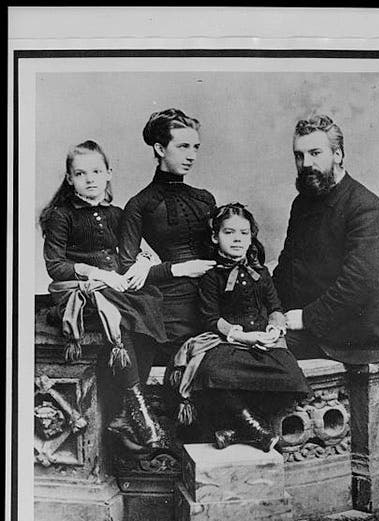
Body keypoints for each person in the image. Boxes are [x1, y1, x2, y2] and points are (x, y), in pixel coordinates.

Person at [40, 140, 169, 451]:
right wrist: (95, 273)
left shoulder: (117, 213)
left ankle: (127, 413)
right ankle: (137, 409)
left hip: (114, 285)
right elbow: (55, 266)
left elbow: (130, 253)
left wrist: (141, 262)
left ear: (109, 174)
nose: (90, 179)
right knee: (119, 315)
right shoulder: (61, 215)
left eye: (97, 171)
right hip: (80, 292)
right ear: (70, 179)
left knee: (150, 303)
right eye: (81, 173)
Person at [172, 203, 311, 452]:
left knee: (293, 378)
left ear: (251, 237)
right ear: (215, 237)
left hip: (263, 342)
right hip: (228, 342)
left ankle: (236, 432)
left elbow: (275, 307)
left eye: (244, 233)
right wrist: (241, 336)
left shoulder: (261, 272)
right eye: (229, 232)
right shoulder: (211, 275)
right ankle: (255, 429)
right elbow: (210, 318)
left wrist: (274, 330)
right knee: (212, 373)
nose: (237, 239)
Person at [272, 114, 379, 364]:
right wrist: (270, 309)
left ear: (338, 154)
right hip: (309, 325)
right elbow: (287, 269)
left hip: (356, 335)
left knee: (258, 357)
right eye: (299, 155)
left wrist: (306, 318)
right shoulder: (302, 204)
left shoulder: (365, 207)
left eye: (315, 153)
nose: (306, 163)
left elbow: (359, 284)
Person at [118, 108, 217, 371]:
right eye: (183, 146)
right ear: (161, 149)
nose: (192, 155)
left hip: (213, 298)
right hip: (173, 308)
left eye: (195, 147)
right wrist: (181, 268)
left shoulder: (205, 198)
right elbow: (127, 273)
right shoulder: (139, 204)